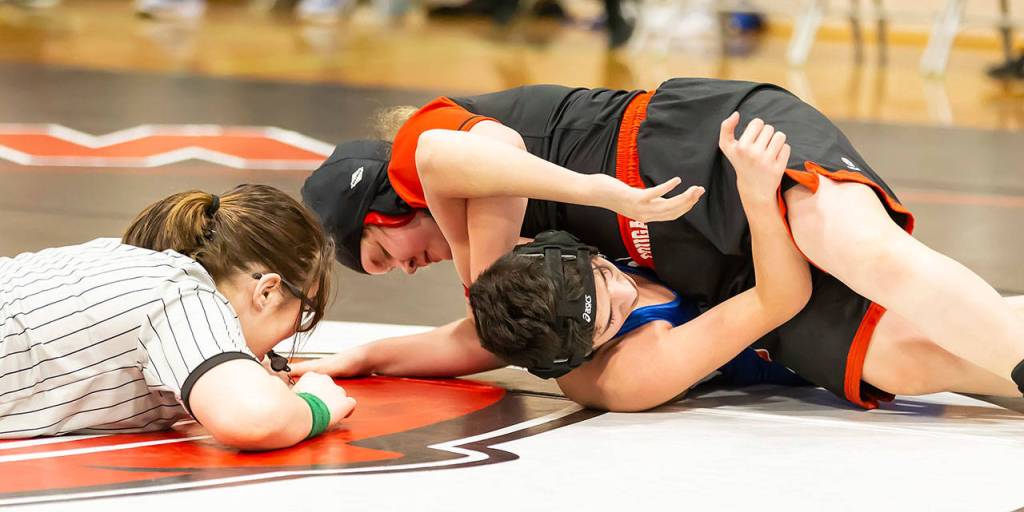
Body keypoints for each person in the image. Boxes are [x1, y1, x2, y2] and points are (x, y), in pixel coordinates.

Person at [295, 78, 1024, 410]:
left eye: (388, 253)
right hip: (713, 271)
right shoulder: (491, 258)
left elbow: (485, 153)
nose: (409, 267)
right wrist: (366, 356)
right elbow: (494, 336)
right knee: (905, 358)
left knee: (863, 251)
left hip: (694, 149)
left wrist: (598, 192)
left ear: (389, 208)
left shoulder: (426, 153)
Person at [0, 184, 356, 449]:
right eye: (303, 311)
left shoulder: (130, 262)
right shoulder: (182, 294)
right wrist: (313, 406)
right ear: (266, 292)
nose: (289, 336)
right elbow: (253, 418)